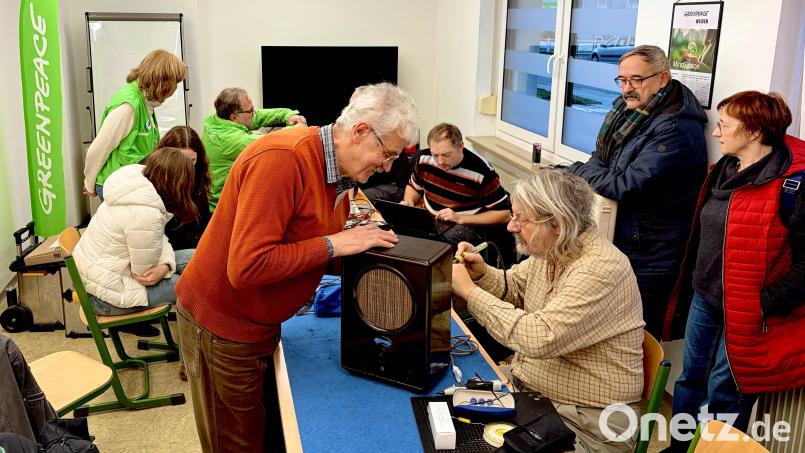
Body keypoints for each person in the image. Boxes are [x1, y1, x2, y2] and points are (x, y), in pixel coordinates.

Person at [175, 82, 417, 452]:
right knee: (238, 444)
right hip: (223, 325)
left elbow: (304, 245)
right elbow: (248, 266)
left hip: (260, 320)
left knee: (271, 434)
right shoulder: (282, 159)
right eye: (387, 154)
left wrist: (381, 259)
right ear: (360, 132)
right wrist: (335, 244)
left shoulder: (339, 174)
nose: (387, 166)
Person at [451, 169, 645, 453]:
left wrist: (470, 292)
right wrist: (481, 273)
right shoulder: (555, 247)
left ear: (556, 222)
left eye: (521, 219)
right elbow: (516, 287)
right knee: (446, 415)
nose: (511, 226)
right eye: (513, 215)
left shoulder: (599, 269)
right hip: (535, 395)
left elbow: (539, 337)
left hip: (587, 421)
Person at [663, 91, 805, 452]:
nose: (716, 133)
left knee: (724, 394)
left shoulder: (793, 185)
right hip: (706, 297)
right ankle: (680, 449)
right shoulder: (724, 170)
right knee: (690, 381)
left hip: (749, 310)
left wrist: (763, 303)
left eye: (724, 125)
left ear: (754, 131)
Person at [567, 45, 708, 338]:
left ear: (663, 78)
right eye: (622, 80)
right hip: (624, 237)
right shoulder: (627, 112)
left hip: (652, 252)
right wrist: (588, 170)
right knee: (610, 329)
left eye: (636, 80)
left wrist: (577, 170)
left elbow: (626, 185)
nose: (627, 88)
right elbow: (600, 159)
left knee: (637, 336)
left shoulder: (675, 128)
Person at [73, 147, 197, 316]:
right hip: (106, 298)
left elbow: (159, 239)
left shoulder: (135, 188)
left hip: (101, 282)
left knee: (198, 258)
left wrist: (166, 265)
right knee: (192, 288)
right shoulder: (145, 213)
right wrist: (165, 267)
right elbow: (145, 274)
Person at [83, 49, 186, 201]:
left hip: (129, 184)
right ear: (163, 82)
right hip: (115, 185)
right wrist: (89, 183)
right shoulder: (129, 106)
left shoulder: (146, 102)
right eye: (174, 83)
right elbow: (100, 148)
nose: (174, 89)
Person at [402, 123, 512, 256]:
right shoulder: (424, 159)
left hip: (466, 225)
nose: (440, 161)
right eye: (435, 155)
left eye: (446, 155)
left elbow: (504, 214)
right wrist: (409, 202)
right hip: (432, 219)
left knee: (438, 249)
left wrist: (460, 218)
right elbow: (414, 187)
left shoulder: (482, 171)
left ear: (461, 146)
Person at [202, 87, 307, 211]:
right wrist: (296, 128)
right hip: (225, 208)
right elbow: (274, 141)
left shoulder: (214, 120)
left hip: (218, 200)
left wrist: (288, 115)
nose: (254, 113)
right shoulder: (234, 141)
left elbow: (258, 116)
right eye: (250, 111)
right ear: (233, 117)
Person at [157, 126, 212, 250]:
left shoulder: (199, 175)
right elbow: (164, 234)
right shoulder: (156, 181)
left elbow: (203, 218)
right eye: (181, 160)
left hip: (192, 242)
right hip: (168, 248)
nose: (187, 167)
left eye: (192, 160)